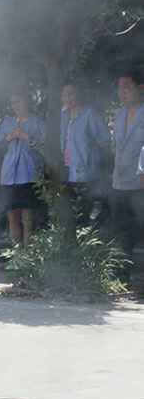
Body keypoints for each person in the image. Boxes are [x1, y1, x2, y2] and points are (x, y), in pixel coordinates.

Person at [0, 92, 45, 245]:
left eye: (18, 102)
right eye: (13, 103)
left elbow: (46, 145)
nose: (15, 106)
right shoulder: (7, 122)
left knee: (28, 219)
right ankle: (15, 252)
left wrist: (27, 137)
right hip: (9, 175)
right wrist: (9, 136)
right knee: (12, 216)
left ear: (27, 102)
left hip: (29, 174)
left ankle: (28, 254)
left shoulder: (37, 122)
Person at [108, 72, 144, 268]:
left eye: (127, 87)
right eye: (120, 88)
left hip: (141, 184)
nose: (122, 92)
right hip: (119, 182)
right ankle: (123, 273)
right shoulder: (118, 114)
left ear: (141, 88)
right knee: (122, 232)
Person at [61, 82, 109, 224]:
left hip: (88, 170)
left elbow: (105, 139)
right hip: (69, 169)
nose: (68, 98)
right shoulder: (63, 115)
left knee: (88, 212)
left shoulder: (89, 113)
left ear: (78, 94)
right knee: (75, 212)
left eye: (71, 94)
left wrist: (90, 151)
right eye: (64, 95)